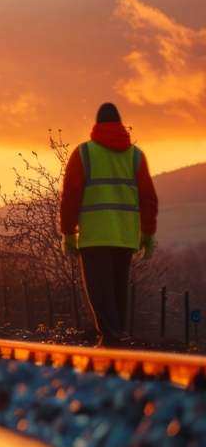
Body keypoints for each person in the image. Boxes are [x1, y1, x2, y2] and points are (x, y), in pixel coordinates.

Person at [59, 102, 158, 347]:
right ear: (120, 126)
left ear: (96, 126)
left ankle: (113, 334)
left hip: (94, 235)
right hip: (125, 235)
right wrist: (149, 234)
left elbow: (71, 195)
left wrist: (69, 234)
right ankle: (117, 336)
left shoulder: (83, 153)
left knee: (99, 289)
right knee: (117, 288)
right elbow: (148, 198)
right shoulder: (135, 155)